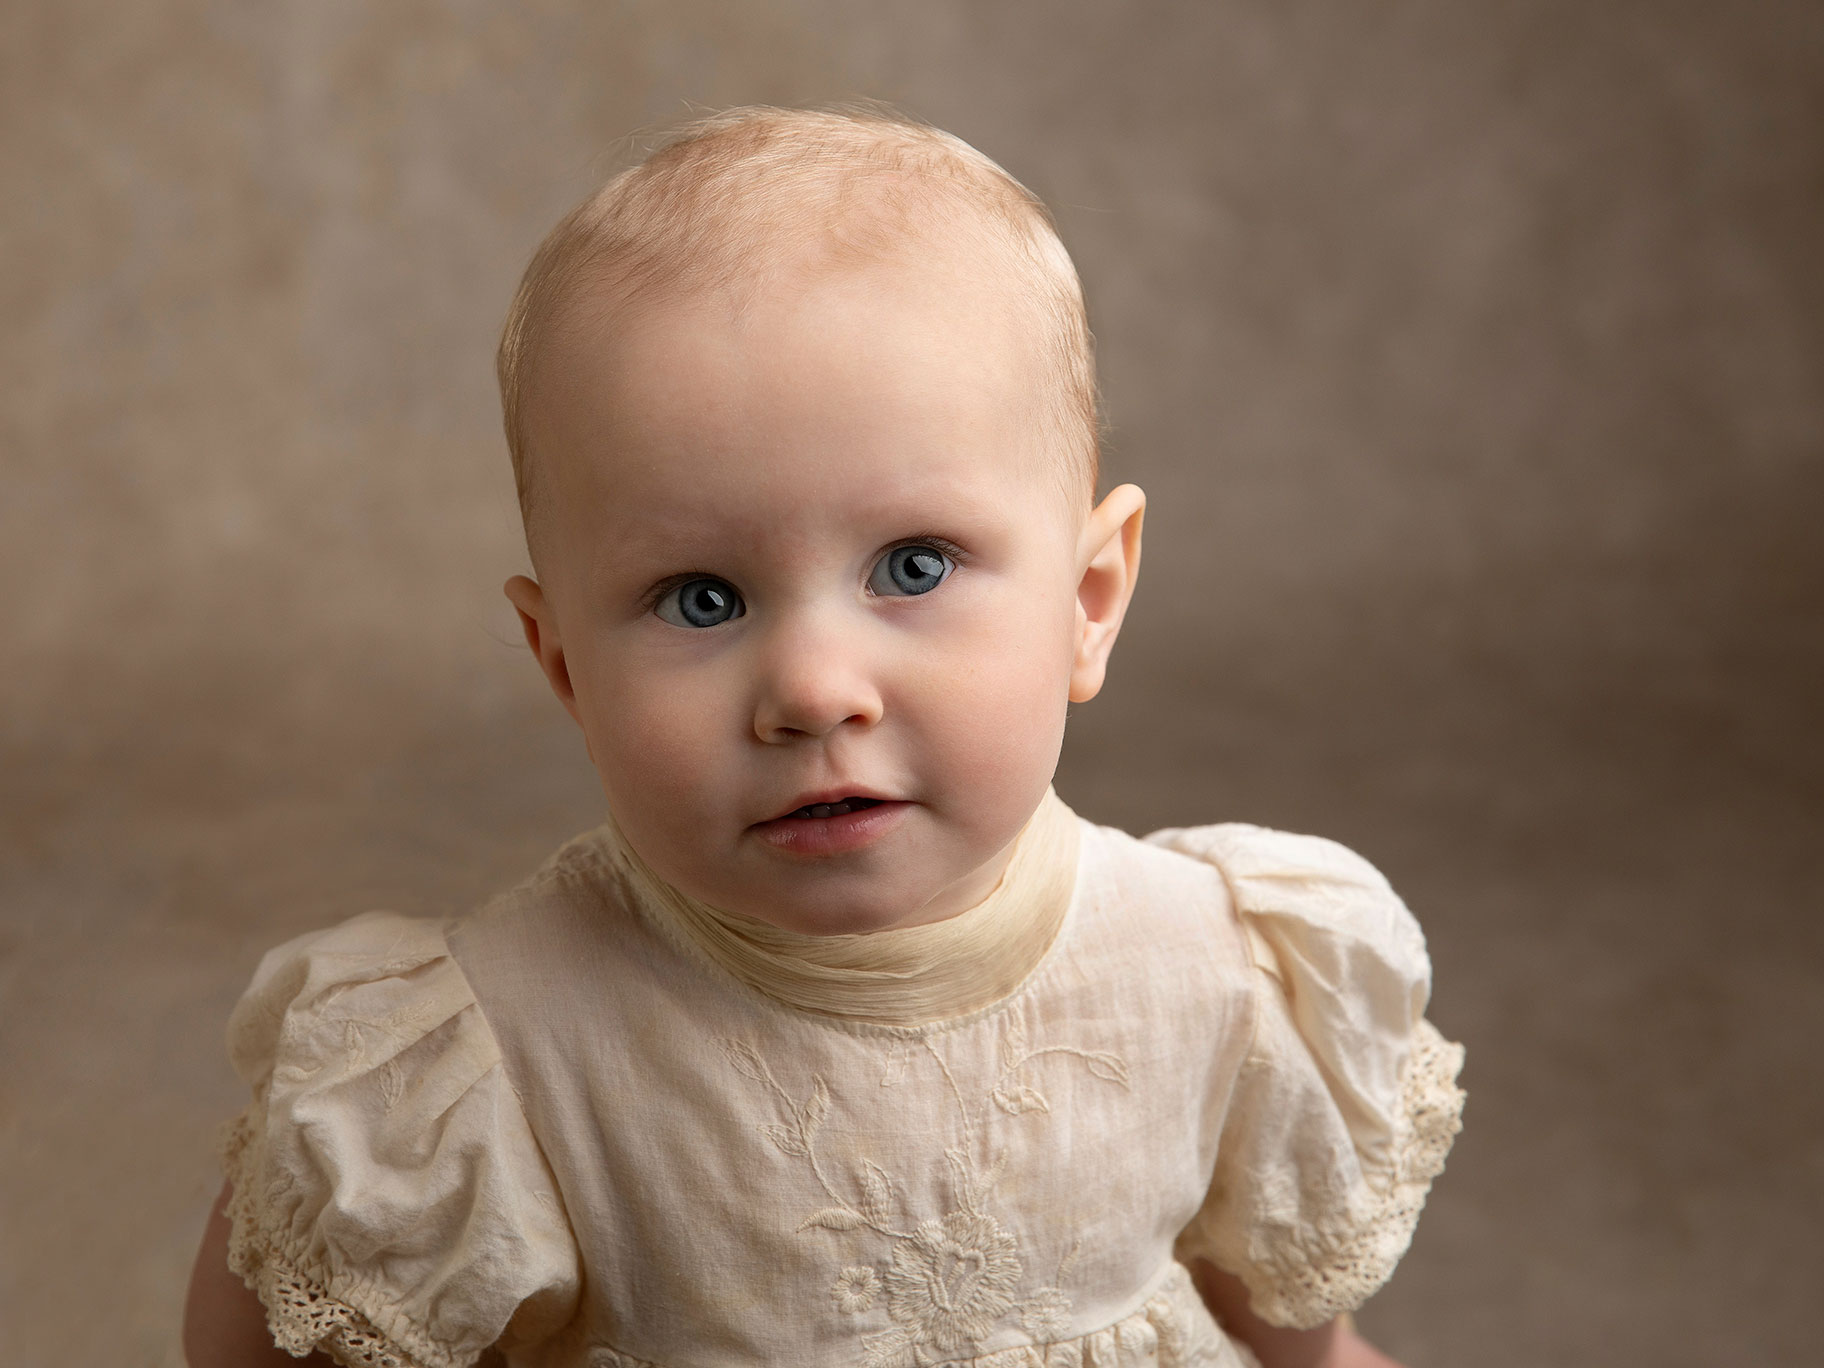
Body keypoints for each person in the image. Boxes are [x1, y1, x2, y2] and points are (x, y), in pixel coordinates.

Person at [183, 106, 1465, 1368]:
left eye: (913, 566)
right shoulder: (505, 1049)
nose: (812, 688)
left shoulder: (1221, 970)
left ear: (1087, 604)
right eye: (702, 599)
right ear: (565, 666)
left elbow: (1295, 1336)